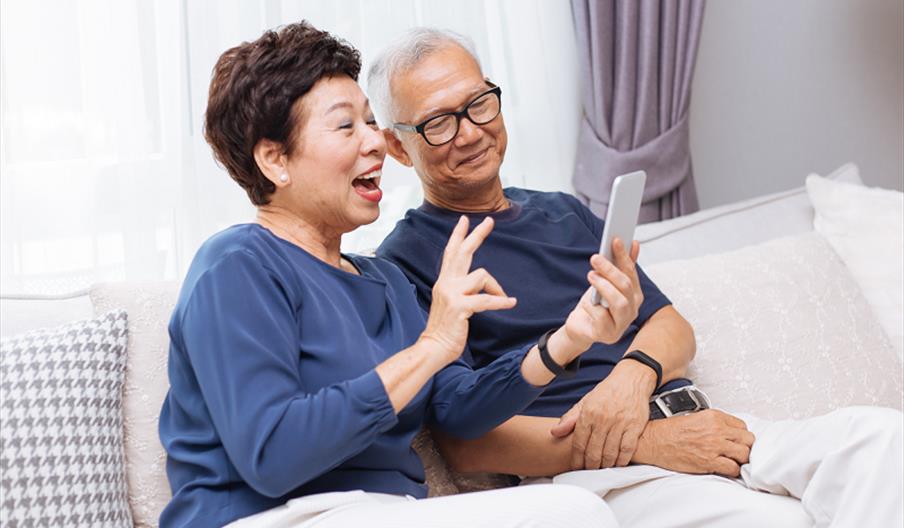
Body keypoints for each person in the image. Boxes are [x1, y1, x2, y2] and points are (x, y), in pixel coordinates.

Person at [370, 27, 904, 527]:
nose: (470, 133)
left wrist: (634, 374)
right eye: (438, 123)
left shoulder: (564, 212)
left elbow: (673, 327)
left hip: (702, 422)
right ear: (397, 146)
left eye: (480, 103)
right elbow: (467, 442)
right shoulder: (405, 262)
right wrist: (646, 441)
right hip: (606, 474)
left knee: (883, 440)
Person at [157, 22, 619, 528]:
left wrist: (565, 342)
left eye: (372, 122)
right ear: (275, 160)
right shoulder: (237, 267)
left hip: (386, 513)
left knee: (579, 510)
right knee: (574, 513)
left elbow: (459, 408)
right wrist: (429, 348)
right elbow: (272, 454)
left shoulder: (387, 282)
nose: (376, 142)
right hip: (270, 517)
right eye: (345, 126)